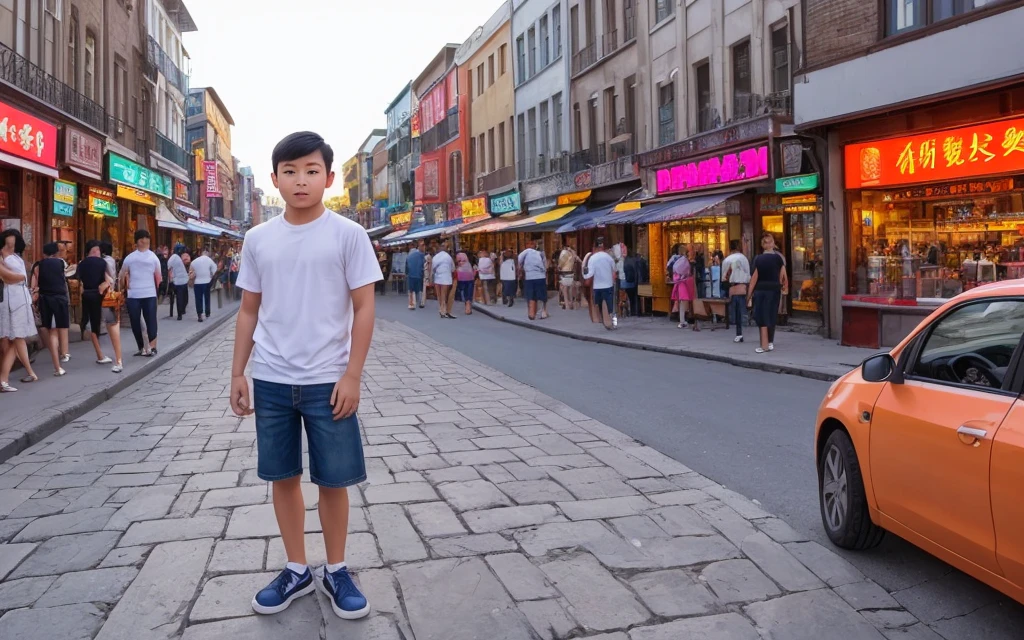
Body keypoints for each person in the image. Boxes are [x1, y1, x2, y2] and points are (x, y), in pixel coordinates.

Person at [231, 131, 378, 620]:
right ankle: (296, 568)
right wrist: (239, 372)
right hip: (272, 378)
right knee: (283, 477)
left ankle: (336, 569)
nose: (301, 180)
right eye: (290, 171)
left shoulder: (348, 235)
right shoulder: (258, 238)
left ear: (329, 178)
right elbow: (249, 311)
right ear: (274, 179)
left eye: (312, 170)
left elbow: (363, 307)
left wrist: (352, 374)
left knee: (334, 480)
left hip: (328, 379)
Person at [0, 229, 39, 391]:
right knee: (17, 337)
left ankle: (6, 379)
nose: (12, 241)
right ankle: (8, 378)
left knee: (17, 338)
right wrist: (21, 277)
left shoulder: (16, 256)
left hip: (20, 297)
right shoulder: (2, 255)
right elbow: (8, 276)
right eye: (10, 237)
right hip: (12, 299)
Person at [76, 240, 119, 369]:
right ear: (96, 250)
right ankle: (100, 355)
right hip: (99, 295)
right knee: (99, 324)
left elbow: (78, 280)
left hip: (86, 294)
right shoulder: (102, 263)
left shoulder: (81, 264)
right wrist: (104, 286)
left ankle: (99, 353)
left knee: (90, 321)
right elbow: (109, 280)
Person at [120, 229, 161, 357]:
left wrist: (158, 292)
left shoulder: (153, 257)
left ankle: (152, 347)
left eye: (147, 238)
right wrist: (122, 288)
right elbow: (122, 275)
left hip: (149, 293)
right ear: (136, 241)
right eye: (142, 238)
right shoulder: (129, 258)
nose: (144, 241)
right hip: (133, 294)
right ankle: (141, 347)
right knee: (135, 321)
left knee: (151, 321)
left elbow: (158, 276)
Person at [32, 243, 71, 376]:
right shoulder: (61, 262)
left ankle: (58, 362)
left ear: (44, 253)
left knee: (51, 330)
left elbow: (35, 284)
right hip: (60, 298)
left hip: (45, 299)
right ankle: (60, 360)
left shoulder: (38, 266)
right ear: (56, 253)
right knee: (59, 329)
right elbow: (68, 273)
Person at [747, 232, 789, 354]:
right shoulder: (778, 258)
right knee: (772, 314)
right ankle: (770, 342)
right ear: (773, 244)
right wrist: (784, 287)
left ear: (762, 245)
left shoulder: (758, 259)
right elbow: (783, 276)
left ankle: (764, 344)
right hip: (774, 289)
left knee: (761, 316)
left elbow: (754, 278)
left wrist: (749, 295)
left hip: (761, 289)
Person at [100, 242, 124, 373]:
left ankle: (118, 360)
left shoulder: (105, 261)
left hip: (107, 295)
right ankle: (118, 359)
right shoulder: (112, 260)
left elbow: (109, 279)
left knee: (112, 322)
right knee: (112, 321)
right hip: (112, 293)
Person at [584, 238, 617, 330]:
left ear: (595, 247)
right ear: (603, 246)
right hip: (609, 285)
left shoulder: (592, 258)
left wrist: (585, 274)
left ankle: (603, 321)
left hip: (597, 286)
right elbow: (614, 270)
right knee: (611, 305)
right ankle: (612, 322)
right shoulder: (608, 257)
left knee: (598, 304)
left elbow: (589, 274)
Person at [722, 240, 751, 343]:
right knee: (742, 309)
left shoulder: (727, 260)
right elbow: (748, 274)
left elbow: (723, 277)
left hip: (733, 287)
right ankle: (741, 329)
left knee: (735, 311)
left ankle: (739, 333)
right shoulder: (744, 258)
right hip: (743, 286)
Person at [670, 244, 698, 331]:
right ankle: (682, 321)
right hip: (684, 283)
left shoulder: (677, 259)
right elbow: (687, 272)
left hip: (679, 283)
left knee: (682, 303)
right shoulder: (685, 261)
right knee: (684, 302)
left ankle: (682, 320)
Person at [518, 240, 548, 320]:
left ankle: (532, 313)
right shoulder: (541, 253)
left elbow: (519, 260)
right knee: (540, 296)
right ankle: (540, 313)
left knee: (531, 295)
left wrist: (521, 269)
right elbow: (545, 265)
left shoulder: (526, 252)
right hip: (540, 276)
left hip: (530, 277)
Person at [190, 249, 218, 322]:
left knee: (198, 299)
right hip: (207, 281)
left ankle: (200, 315)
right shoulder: (209, 260)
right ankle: (207, 313)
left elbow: (191, 272)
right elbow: (215, 268)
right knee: (207, 297)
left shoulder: (194, 261)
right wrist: (211, 275)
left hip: (197, 282)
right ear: (207, 254)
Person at [431, 243, 455, 319]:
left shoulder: (435, 257)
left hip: (437, 278)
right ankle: (443, 311)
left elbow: (433, 268)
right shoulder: (449, 257)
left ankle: (441, 310)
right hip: (446, 278)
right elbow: (453, 268)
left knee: (439, 295)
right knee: (444, 295)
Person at [167, 244, 189, 321]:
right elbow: (168, 268)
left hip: (183, 280)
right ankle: (180, 314)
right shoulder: (173, 258)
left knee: (184, 298)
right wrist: (171, 279)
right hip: (178, 281)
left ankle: (182, 311)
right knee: (180, 298)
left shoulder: (178, 257)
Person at [557, 245, 579, 310]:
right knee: (570, 288)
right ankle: (571, 303)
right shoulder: (572, 254)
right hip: (571, 272)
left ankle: (567, 305)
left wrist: (559, 266)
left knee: (565, 288)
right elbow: (575, 257)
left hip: (564, 271)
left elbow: (561, 262)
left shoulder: (564, 253)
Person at [454, 251, 476, 315]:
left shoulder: (458, 256)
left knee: (462, 290)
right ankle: (468, 306)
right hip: (470, 275)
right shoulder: (467, 261)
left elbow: (458, 263)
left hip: (461, 276)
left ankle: (466, 304)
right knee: (469, 291)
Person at [405, 242, 425, 310]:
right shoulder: (421, 255)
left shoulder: (408, 256)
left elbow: (406, 266)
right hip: (419, 275)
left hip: (411, 275)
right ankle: (421, 303)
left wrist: (406, 273)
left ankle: (412, 304)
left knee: (411, 290)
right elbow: (423, 265)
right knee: (419, 289)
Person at [621, 247, 640, 317]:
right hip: (633, 281)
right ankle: (634, 311)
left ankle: (631, 311)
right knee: (633, 297)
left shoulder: (625, 261)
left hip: (627, 281)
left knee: (629, 297)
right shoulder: (633, 260)